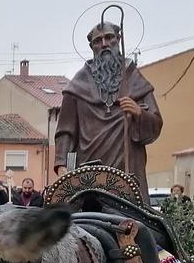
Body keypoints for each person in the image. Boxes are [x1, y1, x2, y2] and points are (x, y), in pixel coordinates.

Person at [54, 20, 162, 195]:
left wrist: (139, 113)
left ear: (118, 40)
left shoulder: (134, 79)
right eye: (98, 41)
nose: (104, 44)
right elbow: (66, 130)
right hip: (89, 168)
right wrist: (61, 166)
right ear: (92, 47)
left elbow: (156, 124)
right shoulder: (78, 85)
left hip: (128, 169)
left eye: (109, 37)